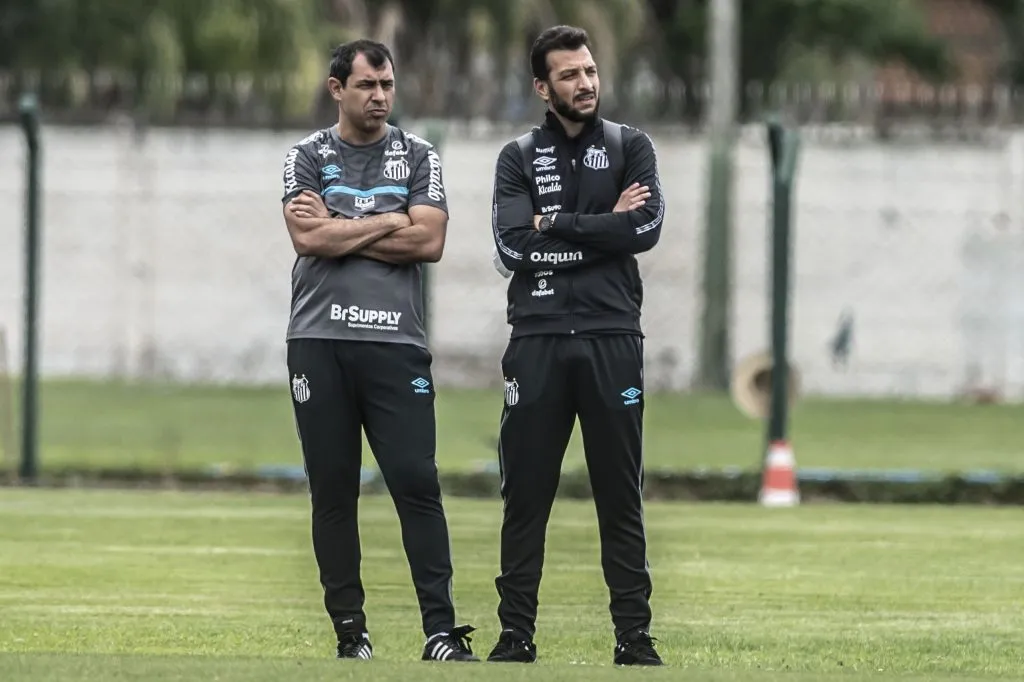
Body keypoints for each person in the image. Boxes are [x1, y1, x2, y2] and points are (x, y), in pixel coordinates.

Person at [279, 38, 478, 663]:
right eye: (367, 85)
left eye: (387, 85)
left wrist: (340, 228)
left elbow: (430, 241)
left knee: (416, 481)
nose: (380, 96)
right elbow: (305, 237)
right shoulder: (306, 155)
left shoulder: (418, 154)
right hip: (319, 342)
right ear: (337, 89)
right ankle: (351, 635)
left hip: (396, 344)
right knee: (333, 489)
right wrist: (391, 219)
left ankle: (440, 633)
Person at [486, 25, 665, 666]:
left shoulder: (630, 145)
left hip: (611, 336)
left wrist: (557, 225)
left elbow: (644, 228)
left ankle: (634, 639)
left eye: (589, 71)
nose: (585, 83)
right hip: (536, 340)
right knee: (525, 496)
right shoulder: (516, 157)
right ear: (543, 87)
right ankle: (515, 636)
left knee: (620, 495)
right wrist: (603, 227)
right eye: (570, 75)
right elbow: (513, 249)